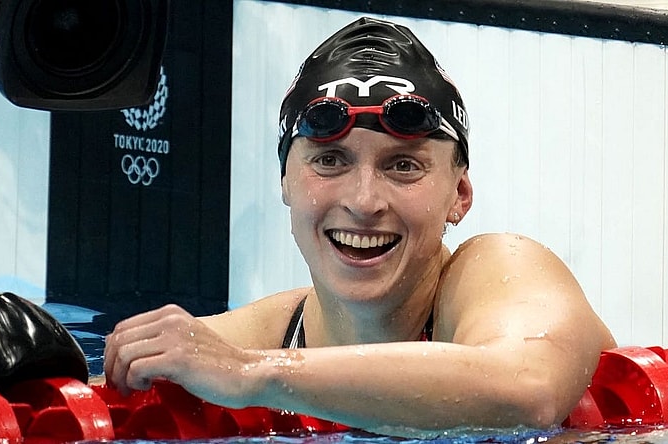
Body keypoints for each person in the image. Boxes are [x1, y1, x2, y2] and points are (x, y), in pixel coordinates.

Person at [103, 17, 616, 434]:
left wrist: (255, 375)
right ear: (284, 182)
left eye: (403, 166)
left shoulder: (502, 270)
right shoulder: (253, 338)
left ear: (459, 195)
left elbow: (528, 390)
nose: (364, 201)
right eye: (330, 161)